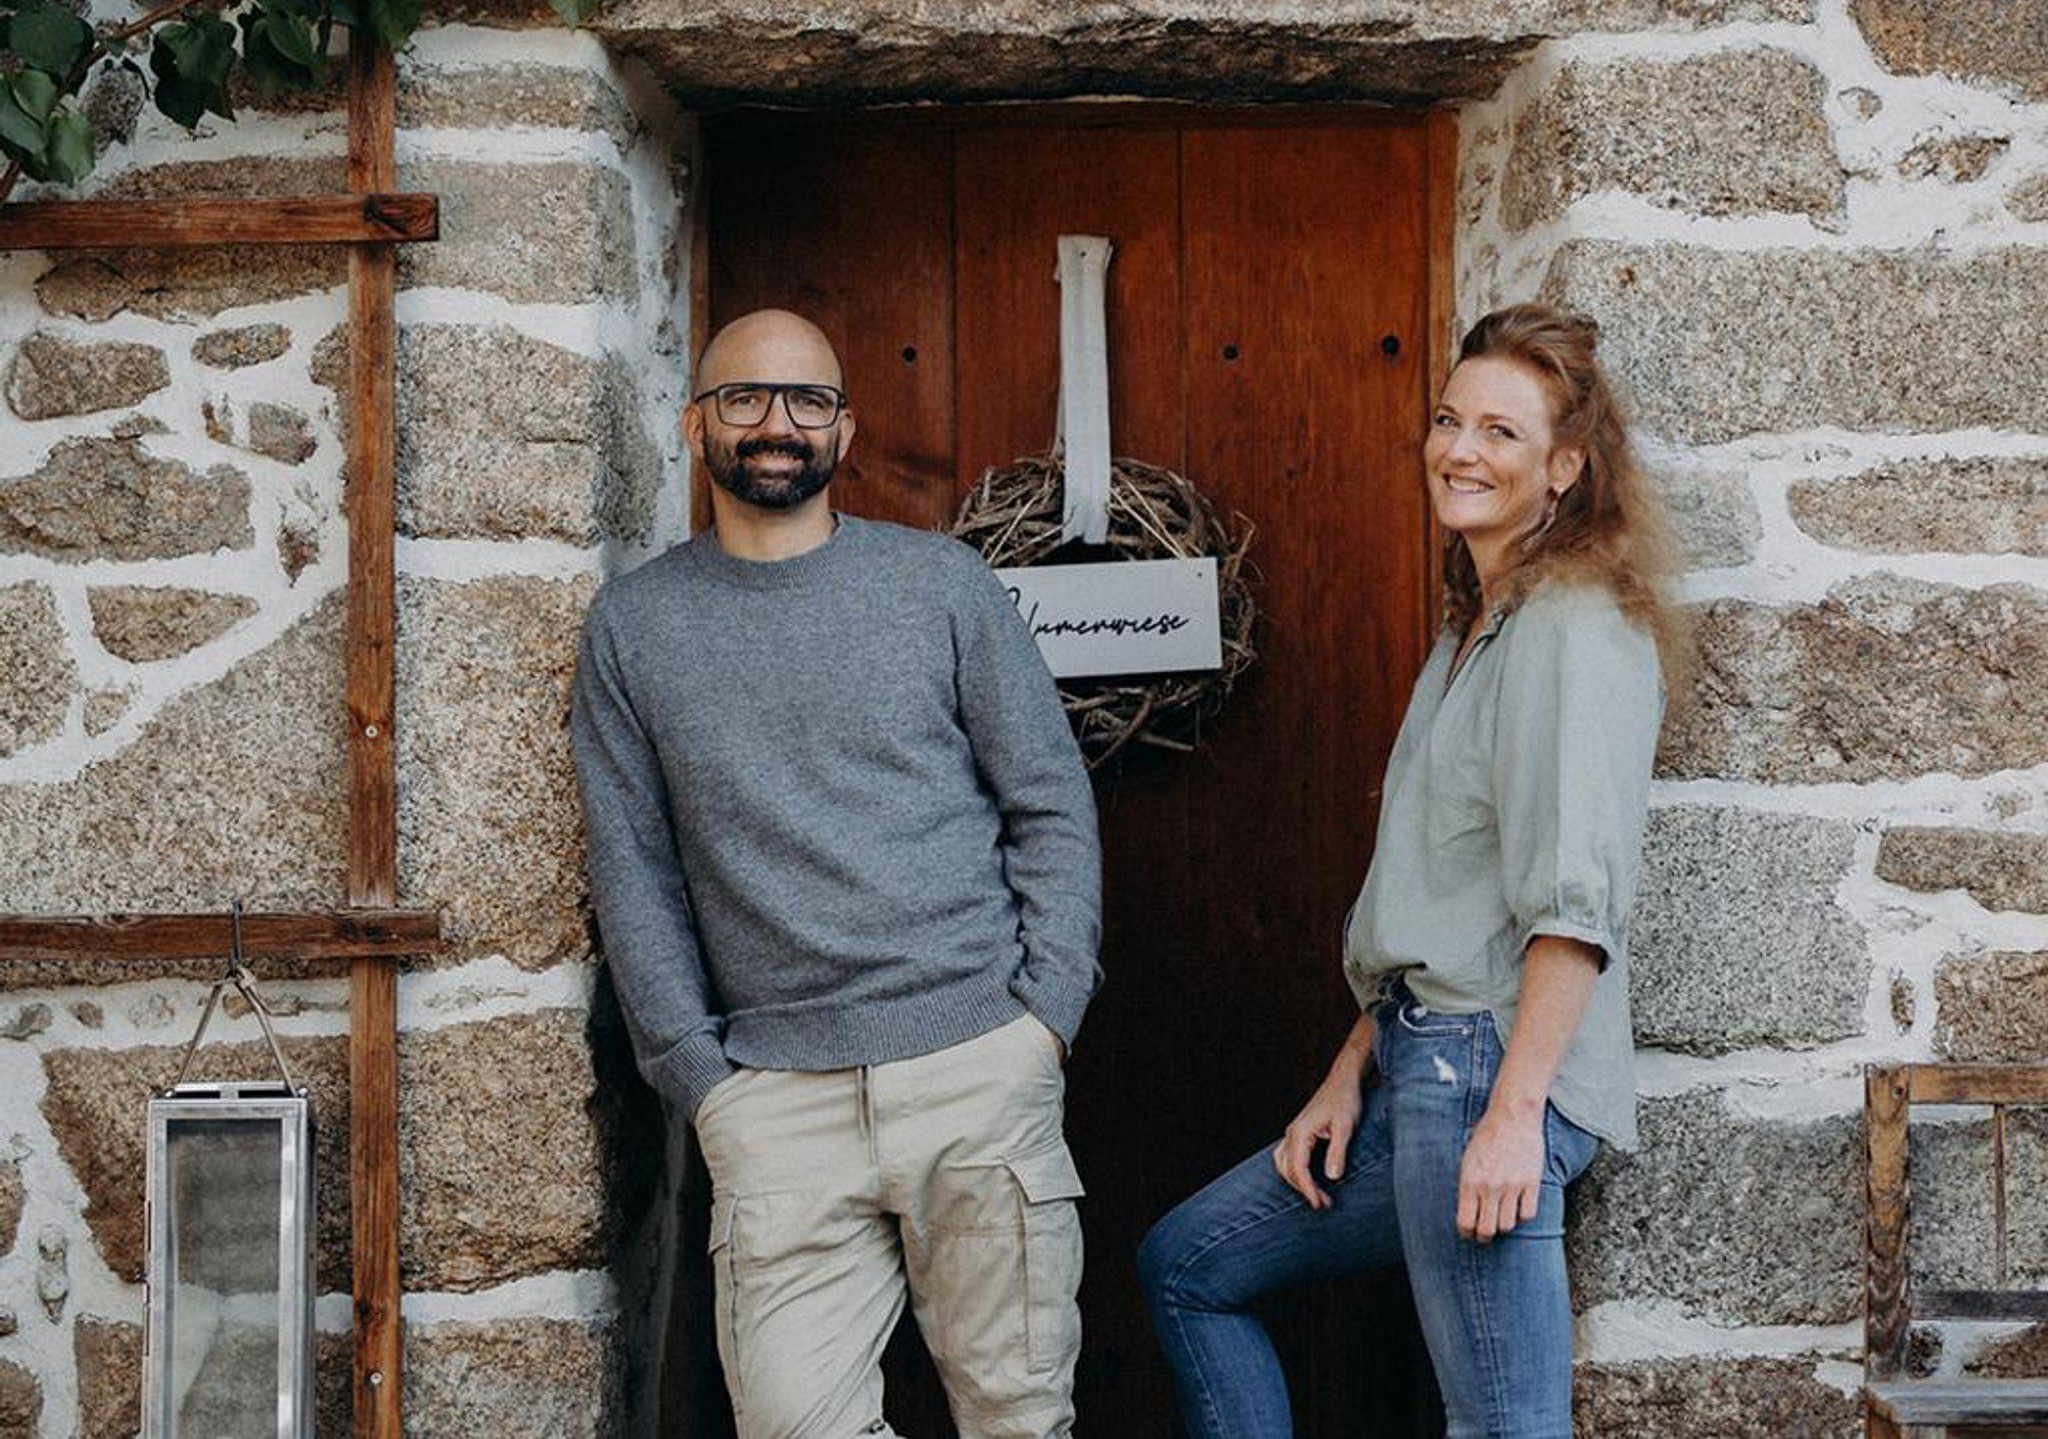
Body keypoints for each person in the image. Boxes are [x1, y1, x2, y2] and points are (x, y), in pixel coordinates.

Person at [1137, 303, 1684, 1439]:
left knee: (1501, 1425)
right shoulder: (1477, 625)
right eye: (1447, 420)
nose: (1459, 450)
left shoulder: (1572, 629)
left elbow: (1572, 905)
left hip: (1484, 1068)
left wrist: (1513, 1116)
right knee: (1189, 1266)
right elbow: (1436, 898)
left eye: (1500, 431)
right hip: (1420, 1057)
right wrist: (1350, 1069)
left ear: (1563, 467)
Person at [568, 309, 1102, 1439]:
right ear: (694, 424)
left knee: (1018, 1419)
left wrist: (1043, 1018)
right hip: (775, 1101)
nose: (778, 423)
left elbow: (1048, 799)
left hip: (975, 1070)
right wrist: (703, 1080)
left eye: (808, 399)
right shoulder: (635, 625)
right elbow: (633, 869)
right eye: (745, 397)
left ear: (844, 430)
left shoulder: (941, 585)